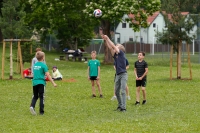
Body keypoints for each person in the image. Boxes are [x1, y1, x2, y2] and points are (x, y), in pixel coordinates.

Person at [101, 34, 127, 112]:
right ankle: (120, 105)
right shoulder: (115, 55)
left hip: (123, 74)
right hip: (118, 74)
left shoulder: (121, 54)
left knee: (123, 90)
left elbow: (112, 46)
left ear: (120, 49)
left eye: (117, 46)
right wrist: (106, 40)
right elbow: (110, 47)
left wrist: (108, 38)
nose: (115, 46)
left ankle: (124, 107)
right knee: (116, 91)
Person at [29, 51, 57, 115]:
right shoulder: (44, 65)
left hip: (34, 83)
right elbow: (48, 75)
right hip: (41, 83)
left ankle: (32, 106)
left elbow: (34, 74)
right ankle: (41, 112)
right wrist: (53, 83)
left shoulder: (35, 65)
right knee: (41, 97)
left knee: (35, 96)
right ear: (43, 57)